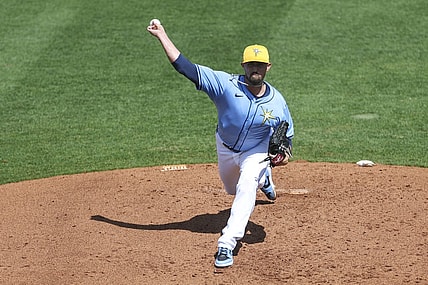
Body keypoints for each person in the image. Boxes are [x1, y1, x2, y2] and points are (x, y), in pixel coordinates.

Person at [147, 21, 294, 268]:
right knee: (231, 188)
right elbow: (185, 67)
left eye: (259, 65)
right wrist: (162, 35)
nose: (255, 69)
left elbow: (287, 141)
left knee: (246, 185)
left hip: (255, 152)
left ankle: (226, 243)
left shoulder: (278, 103)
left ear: (268, 67)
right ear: (243, 66)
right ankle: (264, 178)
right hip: (225, 147)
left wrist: (283, 157)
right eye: (251, 64)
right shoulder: (225, 85)